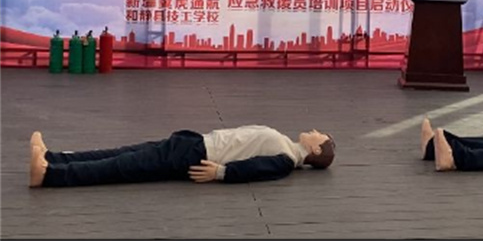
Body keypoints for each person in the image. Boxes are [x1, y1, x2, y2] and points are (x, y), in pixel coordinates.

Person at [28, 125, 335, 187]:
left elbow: (257, 169)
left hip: (197, 154)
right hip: (194, 144)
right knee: (123, 154)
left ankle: (49, 174)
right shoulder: (284, 145)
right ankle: (54, 157)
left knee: (122, 166)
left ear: (315, 150)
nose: (314, 130)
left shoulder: (285, 158)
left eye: (319, 135)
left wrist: (220, 173)